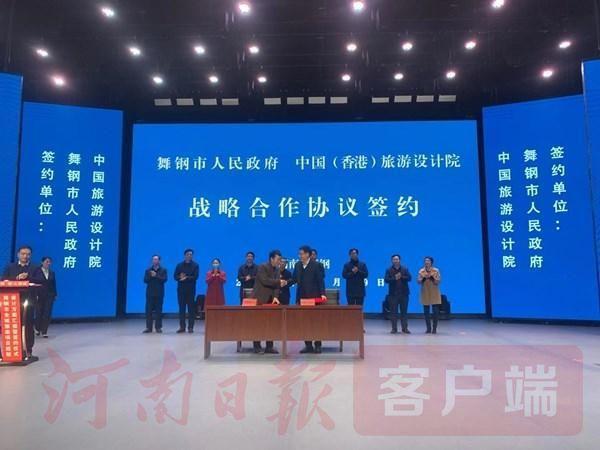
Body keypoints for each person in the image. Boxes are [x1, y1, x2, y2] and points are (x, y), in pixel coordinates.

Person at [2, 246, 38, 359]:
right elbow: (3, 280)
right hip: (11, 301)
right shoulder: (10, 267)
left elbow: (40, 281)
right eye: (23, 254)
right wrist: (17, 278)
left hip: (28, 301)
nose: (25, 256)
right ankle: (12, 350)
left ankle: (28, 350)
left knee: (28, 325)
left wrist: (28, 278)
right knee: (12, 325)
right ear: (18, 254)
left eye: (28, 254)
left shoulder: (35, 268)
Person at [293, 245, 326, 354]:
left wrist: (323, 294)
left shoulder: (316, 265)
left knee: (316, 323)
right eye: (299, 254)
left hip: (314, 298)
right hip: (302, 298)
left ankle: (318, 345)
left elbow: (320, 281)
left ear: (307, 254)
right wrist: (283, 283)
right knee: (304, 322)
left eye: (301, 254)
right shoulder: (297, 265)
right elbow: (294, 279)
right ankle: (308, 345)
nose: (300, 256)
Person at [252, 250, 286, 354]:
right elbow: (265, 281)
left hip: (271, 300)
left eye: (280, 259)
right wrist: (279, 282)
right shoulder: (262, 267)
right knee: (258, 324)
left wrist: (275, 296)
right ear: (271, 258)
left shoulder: (277, 269)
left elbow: (276, 286)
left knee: (271, 323)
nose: (279, 261)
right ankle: (257, 346)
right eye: (278, 259)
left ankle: (269, 347)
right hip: (260, 299)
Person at [384, 254, 412, 334]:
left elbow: (409, 278)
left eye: (397, 259)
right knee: (393, 312)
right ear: (392, 261)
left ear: (399, 260)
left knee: (404, 312)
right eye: (394, 259)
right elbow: (386, 280)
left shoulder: (405, 269)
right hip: (393, 295)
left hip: (404, 294)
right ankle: (394, 329)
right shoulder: (389, 269)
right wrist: (395, 278)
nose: (395, 261)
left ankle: (405, 328)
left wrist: (401, 277)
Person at [174, 249, 199, 333]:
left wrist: (186, 277)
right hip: (181, 290)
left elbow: (195, 277)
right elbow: (175, 276)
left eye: (191, 254)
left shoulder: (195, 265)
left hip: (191, 290)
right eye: (188, 254)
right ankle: (182, 327)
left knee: (191, 309)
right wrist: (180, 278)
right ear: (185, 255)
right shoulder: (179, 265)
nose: (189, 256)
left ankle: (191, 327)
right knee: (182, 309)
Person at [32, 256, 58, 338]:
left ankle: (44, 331)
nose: (48, 263)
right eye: (47, 261)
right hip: (39, 295)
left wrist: (55, 294)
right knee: (39, 312)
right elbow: (33, 283)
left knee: (47, 313)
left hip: (49, 295)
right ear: (42, 262)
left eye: (50, 262)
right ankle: (37, 328)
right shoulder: (36, 271)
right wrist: (34, 294)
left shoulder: (52, 272)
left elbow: (53, 284)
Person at [143, 255, 167, 333]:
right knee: (148, 311)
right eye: (153, 259)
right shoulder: (148, 270)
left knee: (158, 311)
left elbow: (164, 280)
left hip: (159, 293)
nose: (155, 261)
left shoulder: (163, 270)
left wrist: (156, 275)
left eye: (156, 259)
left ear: (159, 261)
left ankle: (158, 327)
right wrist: (151, 275)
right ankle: (148, 327)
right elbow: (145, 280)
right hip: (150, 293)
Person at [417, 256, 442, 334]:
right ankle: (428, 328)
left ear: (431, 262)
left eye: (428, 261)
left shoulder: (436, 270)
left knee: (435, 312)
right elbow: (418, 282)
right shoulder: (421, 271)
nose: (426, 262)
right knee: (426, 312)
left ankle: (434, 328)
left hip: (434, 293)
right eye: (425, 261)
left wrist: (431, 278)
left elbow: (438, 281)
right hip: (425, 292)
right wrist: (424, 278)